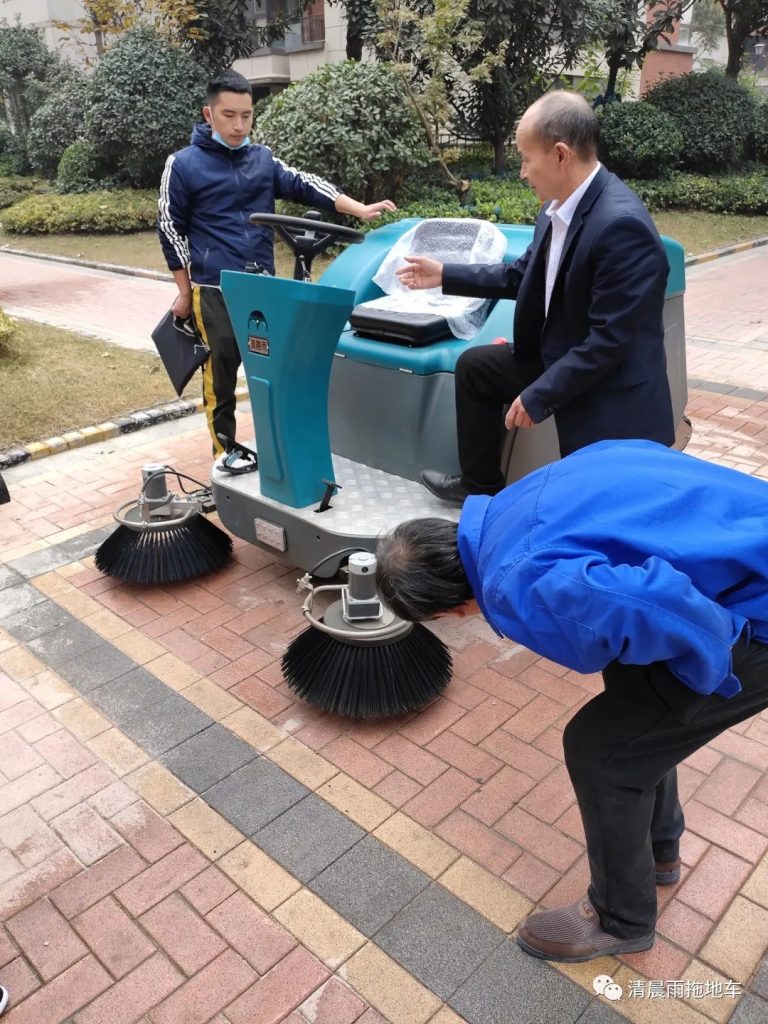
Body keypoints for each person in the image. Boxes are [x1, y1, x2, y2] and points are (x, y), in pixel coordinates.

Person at [375, 439, 768, 963]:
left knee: (600, 752)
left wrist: (712, 666)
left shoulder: (515, 582)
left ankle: (620, 919)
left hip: (748, 618)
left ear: (449, 609)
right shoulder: (519, 500)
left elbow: (653, 602)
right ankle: (658, 854)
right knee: (636, 714)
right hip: (747, 541)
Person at [396, 91, 674, 504]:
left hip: (609, 387)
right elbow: (519, 276)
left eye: (527, 159)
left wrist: (540, 393)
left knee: (591, 505)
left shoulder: (620, 226)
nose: (523, 172)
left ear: (561, 155)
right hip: (562, 355)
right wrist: (444, 275)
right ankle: (480, 486)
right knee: (477, 367)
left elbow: (610, 343)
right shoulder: (555, 209)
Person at [158, 69, 396, 454]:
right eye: (229, 115)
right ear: (208, 115)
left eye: (246, 115)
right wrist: (184, 291)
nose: (239, 125)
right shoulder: (183, 165)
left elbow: (306, 184)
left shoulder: (262, 159)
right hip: (215, 289)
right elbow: (170, 228)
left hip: (262, 289)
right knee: (219, 381)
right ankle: (225, 459)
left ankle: (276, 451)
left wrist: (360, 209)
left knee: (270, 373)